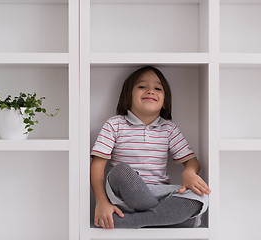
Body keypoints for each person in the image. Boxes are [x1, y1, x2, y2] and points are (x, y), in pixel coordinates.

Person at [90, 66, 211, 229]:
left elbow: (193, 162)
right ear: (128, 94)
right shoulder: (115, 124)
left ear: (165, 101)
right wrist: (101, 202)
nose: (150, 91)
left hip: (159, 194)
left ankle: (131, 221)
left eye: (157, 88)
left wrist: (189, 172)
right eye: (142, 86)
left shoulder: (169, 129)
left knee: (201, 195)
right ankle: (168, 219)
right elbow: (97, 167)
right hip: (124, 196)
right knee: (120, 171)